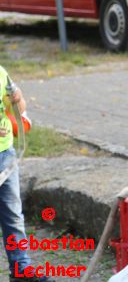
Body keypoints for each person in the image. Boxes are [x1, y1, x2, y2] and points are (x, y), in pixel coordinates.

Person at [0, 68, 54, 282]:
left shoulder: (1, 73)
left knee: (13, 214)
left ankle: (21, 269)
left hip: (5, 154)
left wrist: (18, 99)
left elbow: (18, 110)